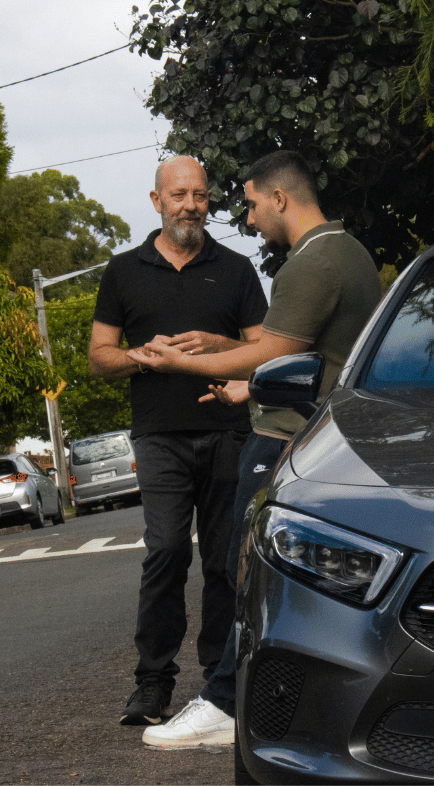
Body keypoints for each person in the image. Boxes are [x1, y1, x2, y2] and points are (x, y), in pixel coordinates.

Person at [129, 150, 382, 750]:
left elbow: (271, 348)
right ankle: (272, 696)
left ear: (279, 198)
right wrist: (246, 383)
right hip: (313, 429)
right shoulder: (347, 251)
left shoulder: (314, 262)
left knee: (251, 573)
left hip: (284, 438)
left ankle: (224, 703)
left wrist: (180, 362)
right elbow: (313, 358)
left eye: (249, 203)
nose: (246, 219)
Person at [89, 155, 269, 727]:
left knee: (222, 562)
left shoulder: (237, 269)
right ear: (156, 200)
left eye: (199, 195)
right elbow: (99, 358)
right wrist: (145, 359)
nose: (190, 205)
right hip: (159, 435)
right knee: (166, 551)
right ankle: (152, 683)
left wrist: (216, 345)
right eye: (178, 195)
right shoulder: (122, 271)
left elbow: (265, 348)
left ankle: (221, 682)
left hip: (227, 432)